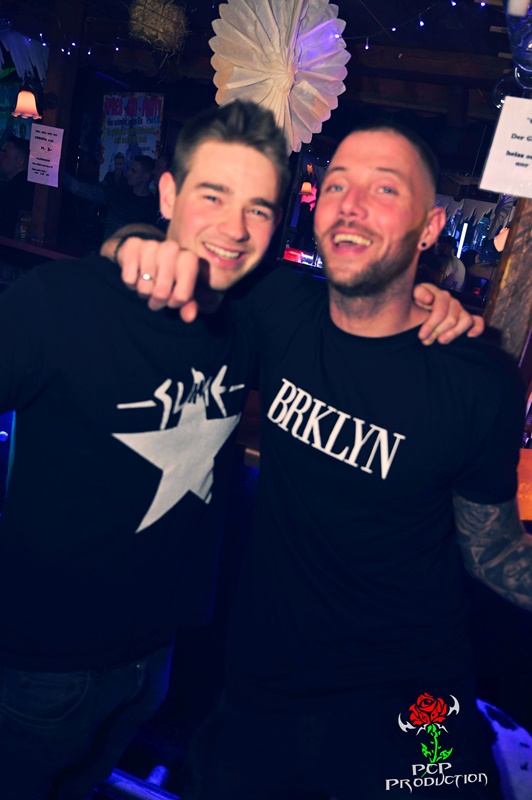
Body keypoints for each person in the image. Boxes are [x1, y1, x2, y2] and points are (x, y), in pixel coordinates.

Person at [110, 120, 526, 800]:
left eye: (384, 189)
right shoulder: (277, 304)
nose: (350, 205)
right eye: (336, 185)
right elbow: (168, 250)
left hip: (413, 705)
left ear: (429, 227)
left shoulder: (479, 381)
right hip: (262, 693)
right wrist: (129, 245)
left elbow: (492, 550)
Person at [0, 100, 289, 800]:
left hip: (154, 663)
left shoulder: (247, 321)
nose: (234, 228)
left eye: (257, 208)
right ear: (167, 195)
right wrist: (124, 244)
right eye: (212, 195)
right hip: (42, 668)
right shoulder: (62, 302)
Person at [64, 153, 159, 239]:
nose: (128, 173)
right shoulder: (118, 192)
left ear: (145, 177)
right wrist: (59, 173)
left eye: (133, 171)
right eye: (129, 169)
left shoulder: (152, 207)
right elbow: (84, 190)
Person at [0, 135, 34, 237]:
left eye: (5, 155)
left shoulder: (13, 190)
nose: (0, 158)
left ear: (19, 162)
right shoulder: (30, 186)